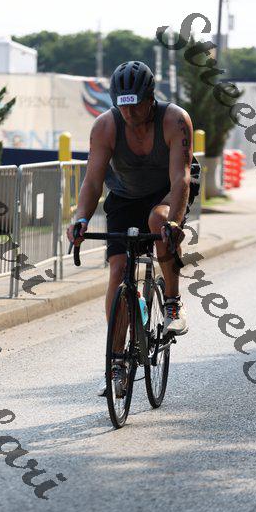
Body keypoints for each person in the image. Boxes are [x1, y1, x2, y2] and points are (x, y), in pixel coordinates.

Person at [66, 60, 195, 396]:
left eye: (136, 106)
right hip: (124, 196)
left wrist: (174, 223)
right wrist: (81, 219)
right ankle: (116, 363)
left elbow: (180, 179)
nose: (129, 114)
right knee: (118, 269)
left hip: (167, 191)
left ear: (150, 99)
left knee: (158, 222)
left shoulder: (175, 120)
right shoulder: (105, 126)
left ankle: (172, 302)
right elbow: (92, 181)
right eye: (123, 107)